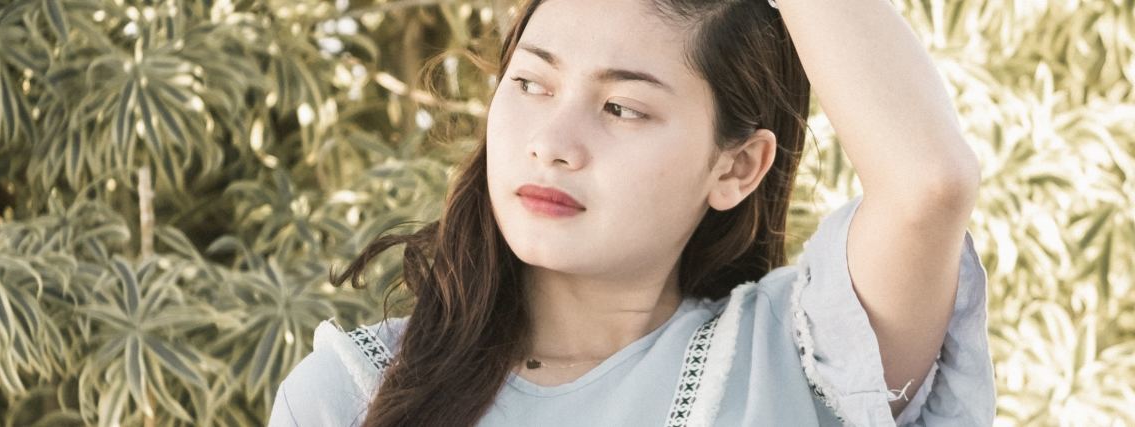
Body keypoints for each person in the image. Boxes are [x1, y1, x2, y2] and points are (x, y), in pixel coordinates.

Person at [270, 0, 994, 424]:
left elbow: (928, 181)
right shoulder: (353, 393)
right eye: (531, 83)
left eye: (620, 107)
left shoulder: (799, 364)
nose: (552, 144)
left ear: (736, 167)